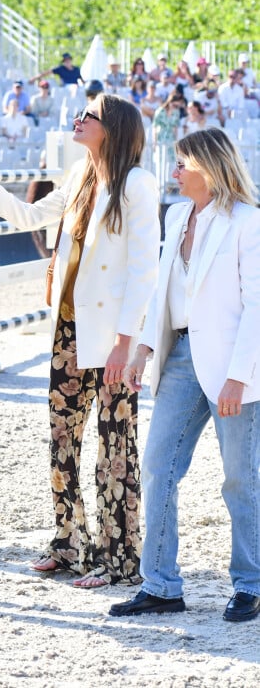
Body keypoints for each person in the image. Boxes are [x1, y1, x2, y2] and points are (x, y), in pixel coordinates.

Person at [0, 94, 160, 587]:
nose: (79, 119)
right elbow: (31, 217)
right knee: (62, 442)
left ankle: (119, 563)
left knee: (116, 448)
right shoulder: (80, 176)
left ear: (110, 129)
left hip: (114, 338)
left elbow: (143, 272)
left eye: (89, 115)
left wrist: (125, 342)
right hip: (69, 331)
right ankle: (70, 546)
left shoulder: (137, 184)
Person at [111, 128, 260, 622]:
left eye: (182, 162)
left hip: (233, 365)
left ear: (210, 167)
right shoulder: (176, 216)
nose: (174, 170)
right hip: (179, 358)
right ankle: (161, 585)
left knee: (240, 479)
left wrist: (240, 376)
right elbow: (163, 290)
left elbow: (257, 306)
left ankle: (250, 583)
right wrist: (142, 349)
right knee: (158, 467)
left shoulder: (247, 222)